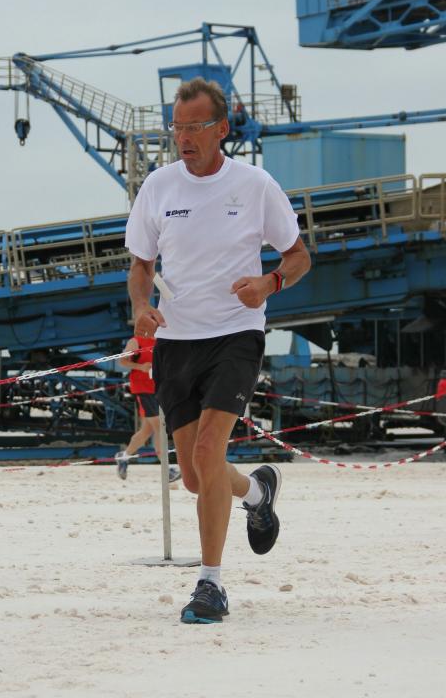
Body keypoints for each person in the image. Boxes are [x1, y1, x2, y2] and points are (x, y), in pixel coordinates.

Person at [125, 77, 311, 624]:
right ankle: (256, 493)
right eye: (176, 128)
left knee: (209, 451)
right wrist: (141, 306)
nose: (183, 138)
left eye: (195, 127)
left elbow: (299, 256)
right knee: (194, 476)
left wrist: (270, 283)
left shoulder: (255, 185)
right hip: (175, 341)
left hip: (236, 333)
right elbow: (141, 265)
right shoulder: (158, 187)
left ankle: (210, 585)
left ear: (222, 129)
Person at [117, 334, 181, 482]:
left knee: (147, 431)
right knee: (159, 426)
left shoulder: (163, 340)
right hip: (143, 389)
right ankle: (167, 469)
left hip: (159, 389)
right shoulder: (136, 341)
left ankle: (124, 456)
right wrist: (141, 367)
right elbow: (122, 361)